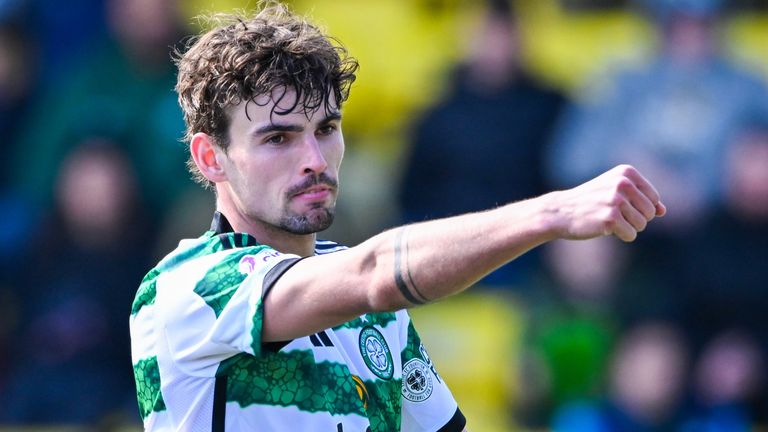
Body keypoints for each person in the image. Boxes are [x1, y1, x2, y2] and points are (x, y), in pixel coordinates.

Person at [129, 2, 666, 431]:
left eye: (326, 129)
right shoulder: (186, 288)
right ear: (210, 157)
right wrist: (552, 212)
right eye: (278, 138)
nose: (315, 159)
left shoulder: (375, 315)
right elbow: (376, 275)